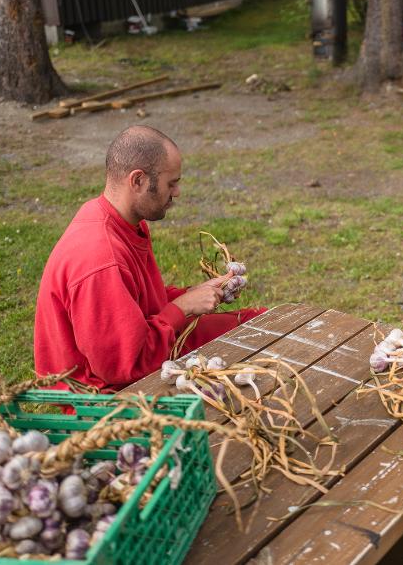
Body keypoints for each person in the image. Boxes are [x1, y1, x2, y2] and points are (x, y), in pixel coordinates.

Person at [34, 125, 265, 391]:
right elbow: (125, 365)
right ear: (138, 180)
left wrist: (195, 293)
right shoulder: (100, 258)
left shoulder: (121, 220)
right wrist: (183, 307)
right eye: (172, 183)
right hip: (102, 395)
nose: (177, 192)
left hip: (139, 348)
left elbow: (135, 304)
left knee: (258, 324)